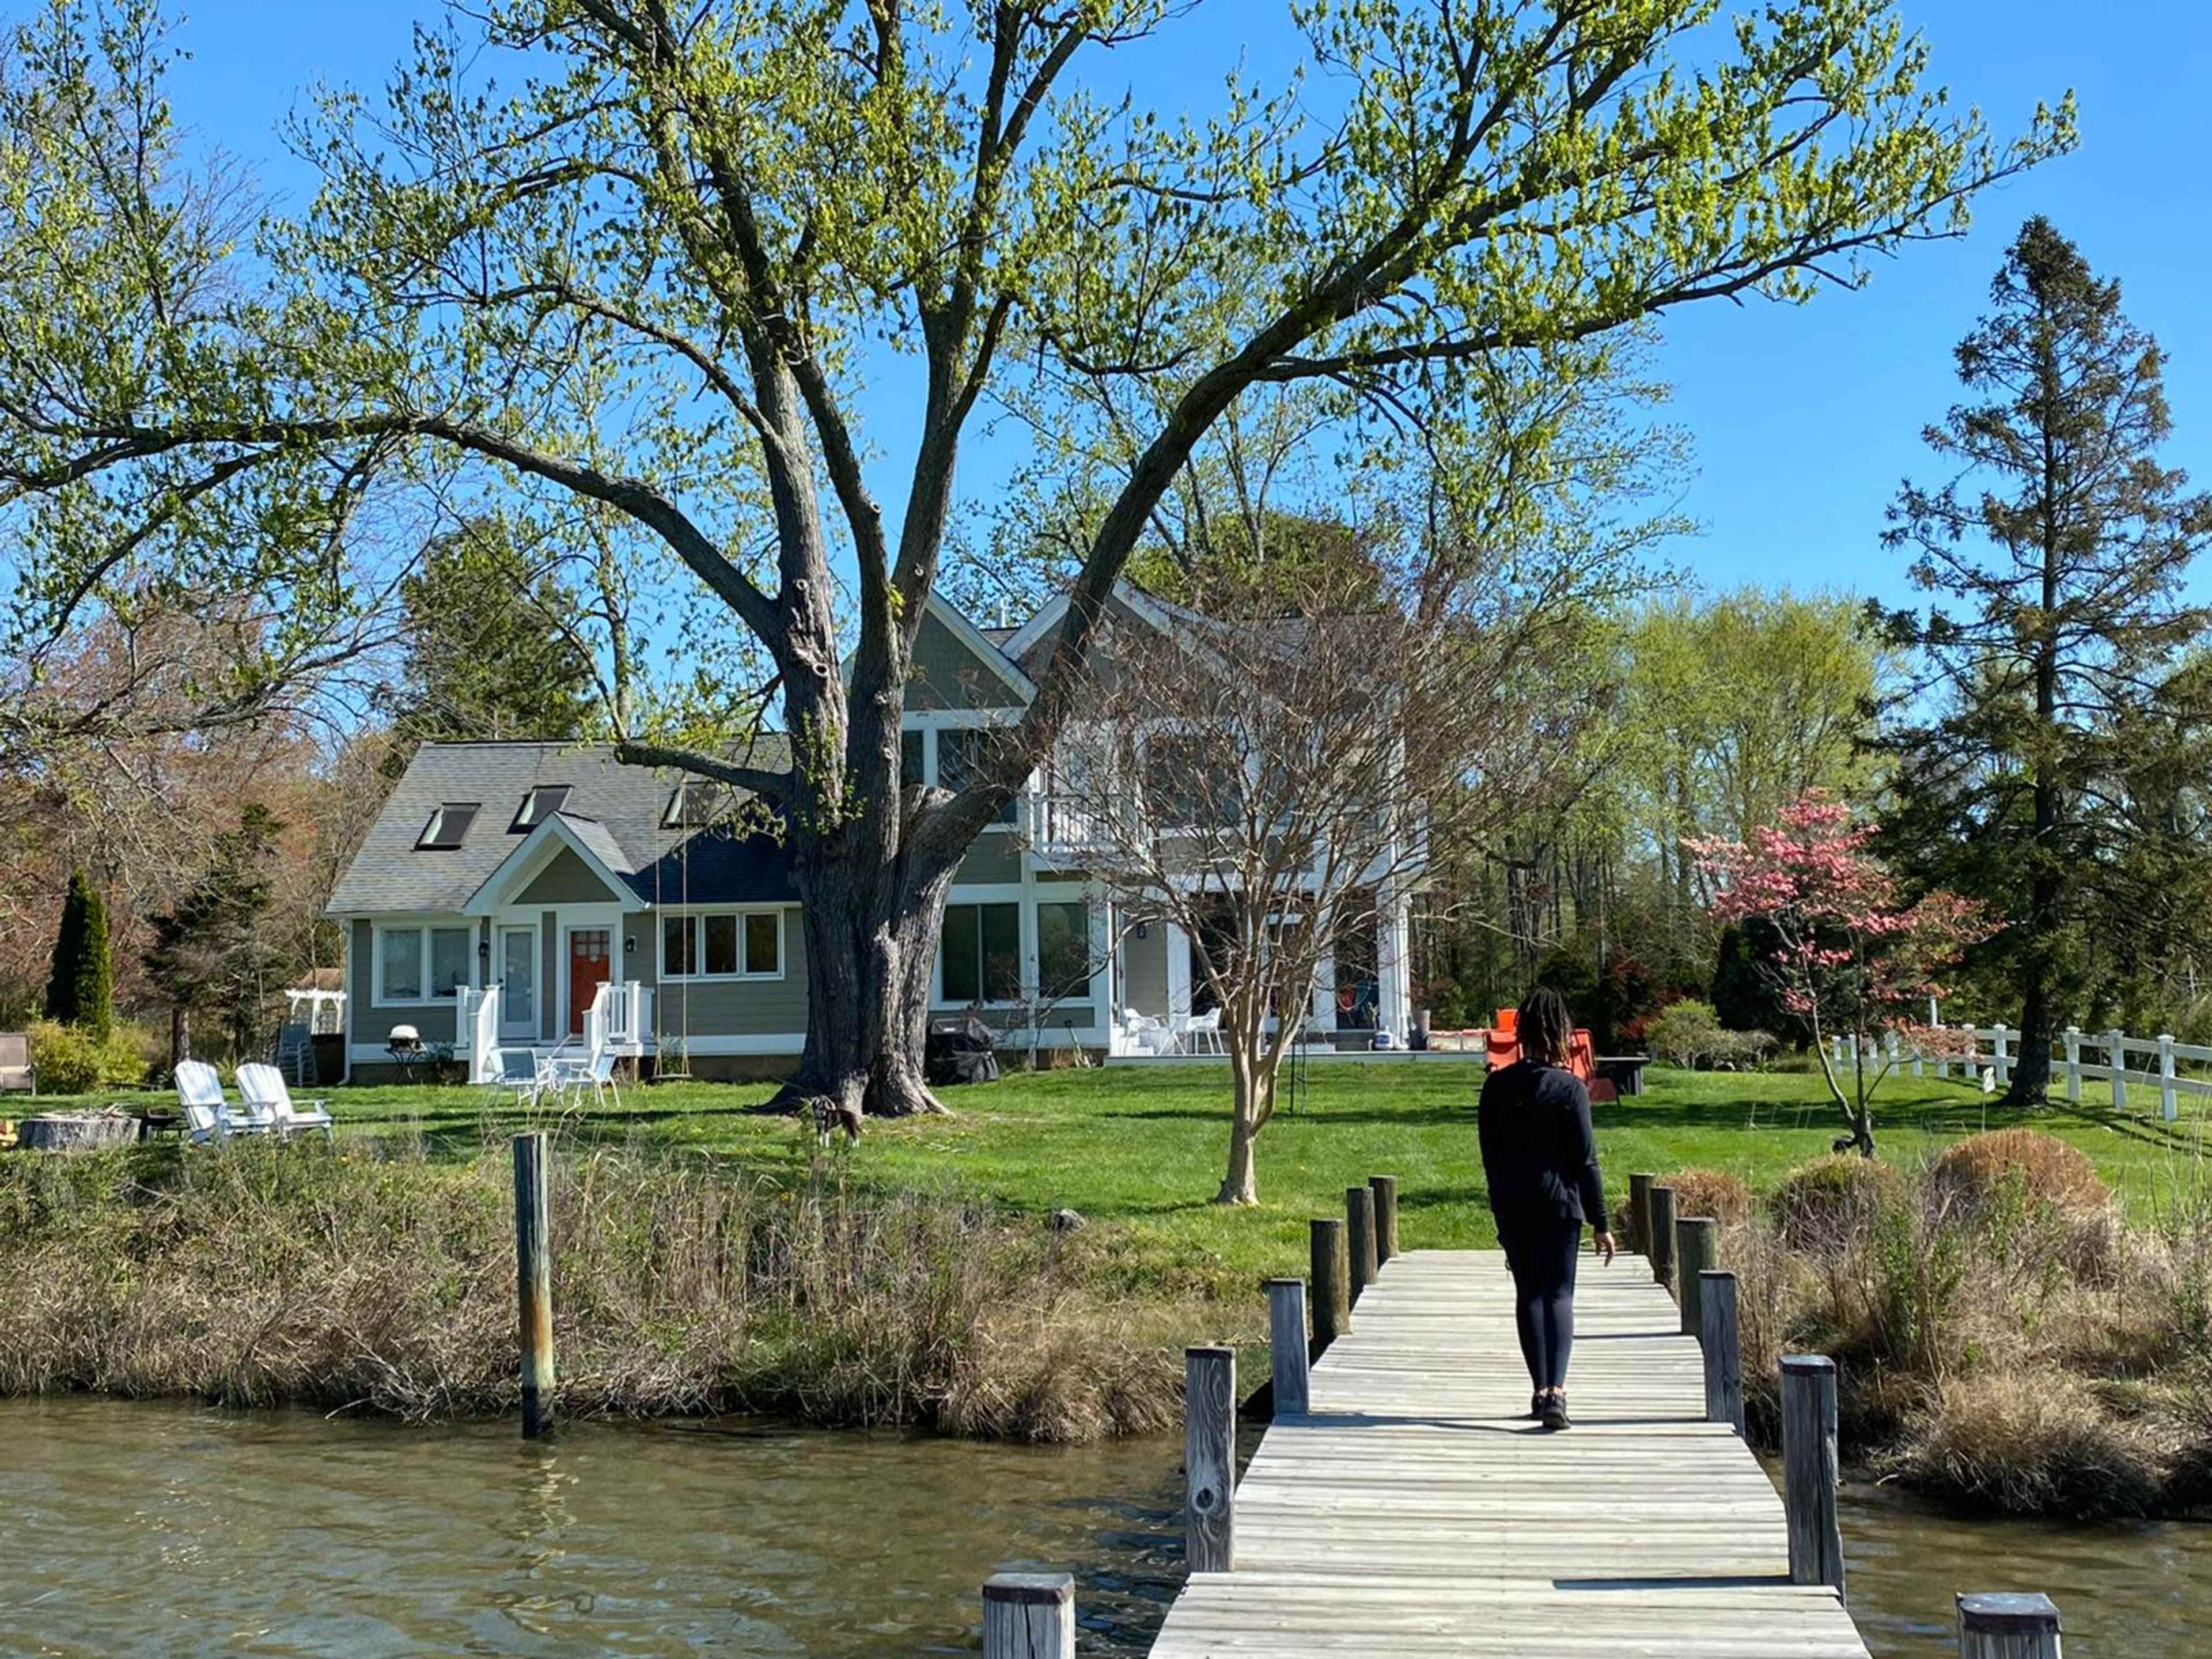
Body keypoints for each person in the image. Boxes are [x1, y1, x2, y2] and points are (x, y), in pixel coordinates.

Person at [1478, 986, 1615, 1431]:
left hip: (1514, 1203)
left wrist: (1500, 1211)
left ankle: (1538, 1389)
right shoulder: (1570, 1089)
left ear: (1520, 1032)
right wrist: (1601, 1222)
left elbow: (1490, 1158)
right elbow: (1586, 1160)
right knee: (1559, 1294)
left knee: (1529, 1293)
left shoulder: (1495, 1087)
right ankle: (1557, 1391)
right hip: (1561, 1205)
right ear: (1560, 1033)